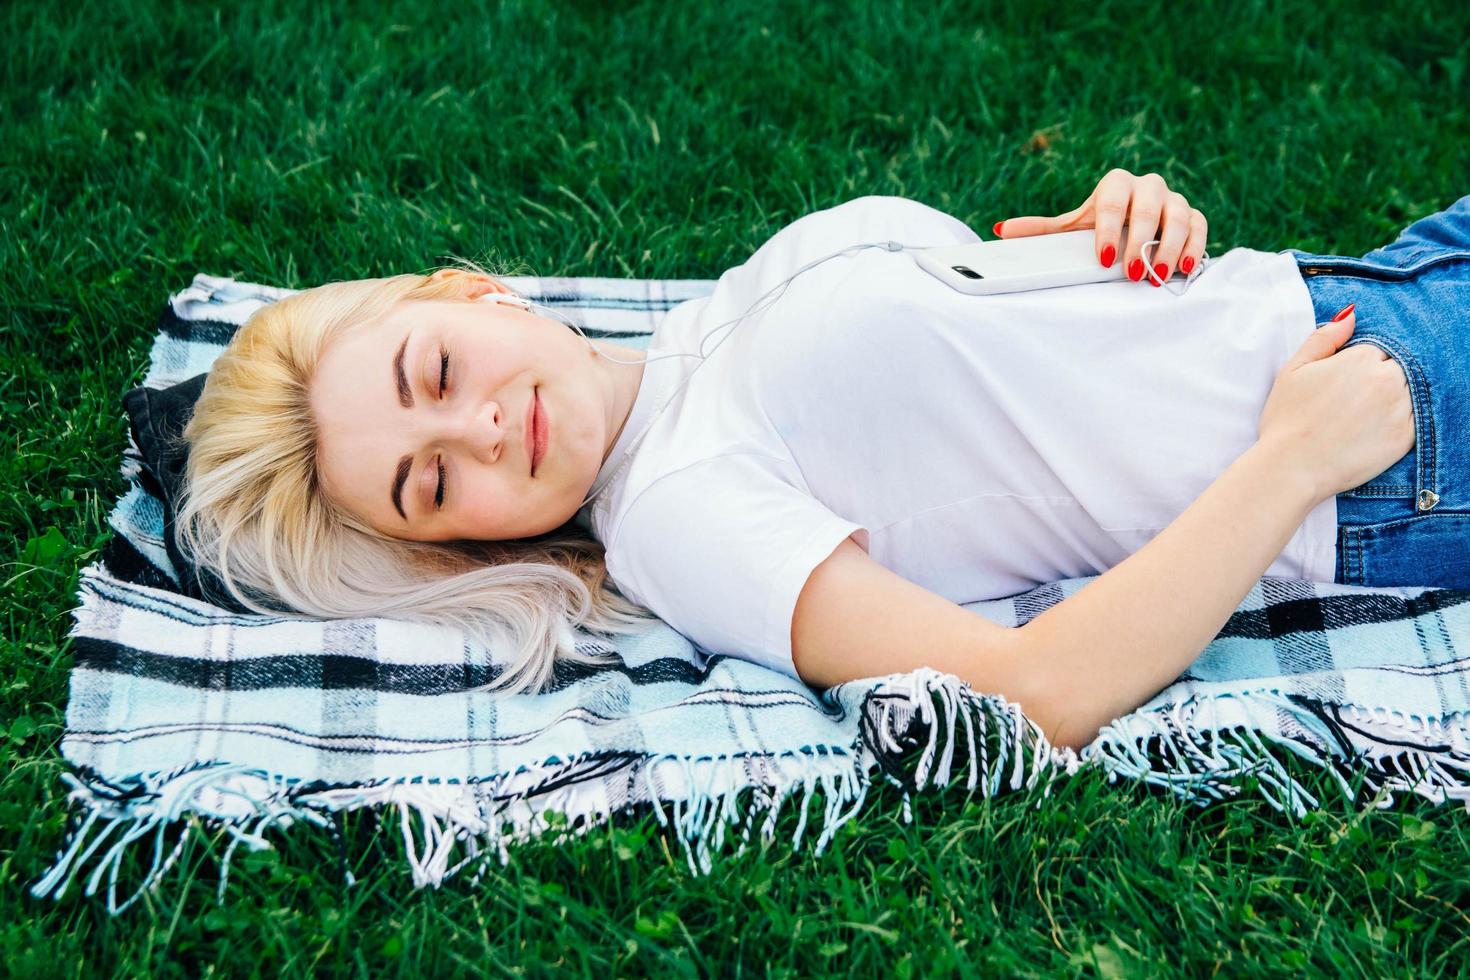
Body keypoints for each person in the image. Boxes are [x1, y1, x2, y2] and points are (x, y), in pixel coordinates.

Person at [177, 168, 1470, 749]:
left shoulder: (697, 333)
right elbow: (1030, 695)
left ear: (470, 295)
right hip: (1391, 441)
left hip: (1363, 283)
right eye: (431, 483)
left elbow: (999, 369)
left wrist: (1106, 224)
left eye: (433, 377)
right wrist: (1295, 463)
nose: (472, 433)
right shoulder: (675, 515)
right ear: (453, 543)